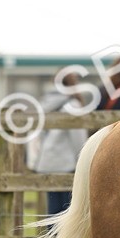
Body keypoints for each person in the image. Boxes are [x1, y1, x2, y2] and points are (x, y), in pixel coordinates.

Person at [34, 69, 89, 216]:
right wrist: (82, 160)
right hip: (67, 163)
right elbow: (78, 137)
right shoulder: (72, 105)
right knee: (67, 209)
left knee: (53, 207)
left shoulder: (46, 102)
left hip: (48, 161)